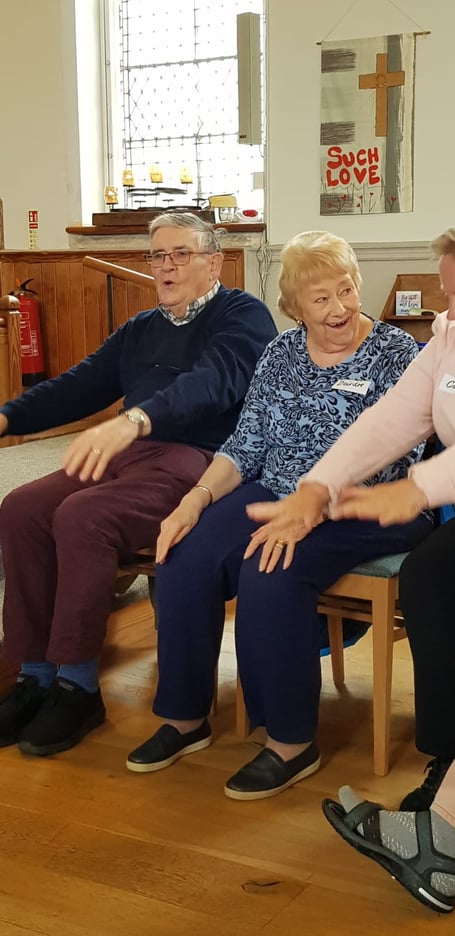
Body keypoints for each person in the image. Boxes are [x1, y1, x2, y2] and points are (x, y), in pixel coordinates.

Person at [125, 229, 433, 800]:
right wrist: (192, 501)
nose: (339, 308)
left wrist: (312, 506)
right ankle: (184, 717)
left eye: (346, 290)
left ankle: (291, 742)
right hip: (278, 487)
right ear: (294, 307)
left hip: (370, 500)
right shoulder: (281, 353)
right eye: (321, 299)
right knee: (185, 554)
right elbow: (245, 447)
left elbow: (397, 459)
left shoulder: (397, 354)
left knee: (271, 567)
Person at [0, 211, 277, 757]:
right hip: (132, 455)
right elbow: (77, 386)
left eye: (181, 254)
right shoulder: (141, 328)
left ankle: (77, 687)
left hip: (197, 461)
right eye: (157, 256)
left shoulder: (243, 315)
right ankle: (33, 675)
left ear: (214, 261)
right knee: (21, 507)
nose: (167, 266)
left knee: (83, 516)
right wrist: (7, 417)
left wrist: (134, 419)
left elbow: (212, 383)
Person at [244, 228, 455, 907]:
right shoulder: (448, 332)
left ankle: (445, 835)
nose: (449, 306)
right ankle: (445, 769)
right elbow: (397, 417)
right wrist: (317, 486)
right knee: (430, 579)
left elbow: (414, 466)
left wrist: (416, 489)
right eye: (448, 289)